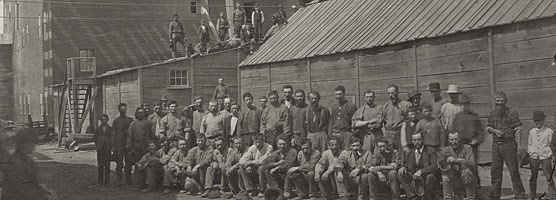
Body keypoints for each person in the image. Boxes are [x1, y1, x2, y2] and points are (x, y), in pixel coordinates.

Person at [486, 91, 526, 200]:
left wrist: (519, 145)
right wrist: (495, 131)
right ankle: (495, 195)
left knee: (513, 171)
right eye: (497, 101)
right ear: (495, 102)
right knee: (495, 171)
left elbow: (518, 129)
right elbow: (488, 127)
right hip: (496, 145)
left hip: (509, 144)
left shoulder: (512, 113)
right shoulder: (492, 113)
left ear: (506, 101)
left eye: (502, 101)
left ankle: (519, 194)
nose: (499, 103)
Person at [1, 128, 57, 200]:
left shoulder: (27, 159)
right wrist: (43, 196)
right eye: (33, 143)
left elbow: (32, 183)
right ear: (25, 144)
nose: (34, 146)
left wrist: (45, 192)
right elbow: (24, 187)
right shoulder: (15, 162)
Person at [451, 93, 483, 186]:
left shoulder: (474, 117)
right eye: (462, 104)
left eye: (466, 104)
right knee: (460, 165)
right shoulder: (457, 117)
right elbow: (453, 131)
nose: (464, 106)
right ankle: (462, 186)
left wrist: (476, 140)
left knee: (472, 165)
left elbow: (480, 133)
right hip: (460, 145)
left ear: (469, 104)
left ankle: (475, 185)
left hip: (472, 145)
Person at [398, 132, 438, 200]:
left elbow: (434, 166)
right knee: (401, 174)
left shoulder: (430, 150)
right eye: (415, 140)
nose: (417, 142)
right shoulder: (410, 152)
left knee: (430, 177)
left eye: (419, 139)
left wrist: (421, 171)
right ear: (412, 141)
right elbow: (406, 165)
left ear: (423, 140)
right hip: (413, 176)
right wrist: (403, 167)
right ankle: (413, 197)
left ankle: (427, 198)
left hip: (425, 177)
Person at [438, 132, 477, 200]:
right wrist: (449, 164)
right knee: (445, 175)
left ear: (460, 139)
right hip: (452, 174)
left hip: (466, 176)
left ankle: (470, 197)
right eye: (451, 140)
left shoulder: (467, 148)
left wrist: (458, 161)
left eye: (456, 139)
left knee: (466, 172)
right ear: (448, 140)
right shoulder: (445, 150)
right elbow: (440, 165)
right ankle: (448, 198)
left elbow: (472, 164)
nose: (454, 142)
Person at [527, 110, 556, 200]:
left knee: (548, 176)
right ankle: (531, 195)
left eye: (540, 120)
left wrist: (551, 154)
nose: (538, 123)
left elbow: (552, 144)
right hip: (534, 157)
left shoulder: (549, 131)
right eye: (536, 121)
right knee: (533, 177)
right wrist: (531, 152)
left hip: (545, 156)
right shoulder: (532, 131)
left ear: (543, 120)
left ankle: (552, 195)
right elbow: (529, 143)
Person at [128, 107, 154, 188]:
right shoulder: (133, 124)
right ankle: (138, 183)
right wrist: (130, 147)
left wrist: (149, 146)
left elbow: (150, 136)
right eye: (139, 113)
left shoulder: (148, 123)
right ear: (136, 114)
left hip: (145, 146)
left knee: (146, 164)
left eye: (142, 113)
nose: (141, 114)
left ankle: (146, 183)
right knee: (138, 164)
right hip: (136, 146)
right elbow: (129, 137)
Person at [383, 84, 411, 152]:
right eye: (388, 93)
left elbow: (409, 120)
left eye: (392, 93)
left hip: (400, 133)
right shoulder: (386, 105)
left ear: (397, 93)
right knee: (389, 152)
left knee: (401, 153)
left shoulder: (405, 105)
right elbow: (383, 120)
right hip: (388, 133)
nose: (390, 95)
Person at [329, 85, 358, 151]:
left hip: (346, 133)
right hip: (335, 133)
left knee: (346, 152)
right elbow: (332, 121)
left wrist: (352, 134)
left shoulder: (351, 106)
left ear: (344, 94)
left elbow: (355, 121)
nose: (338, 96)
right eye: (336, 94)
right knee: (335, 151)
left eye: (340, 94)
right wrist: (330, 133)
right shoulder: (334, 106)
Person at [112, 103, 134, 186]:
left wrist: (131, 144)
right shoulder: (116, 121)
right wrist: (113, 146)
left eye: (124, 109)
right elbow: (113, 134)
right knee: (119, 162)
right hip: (119, 144)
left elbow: (132, 132)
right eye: (121, 109)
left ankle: (128, 179)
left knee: (128, 162)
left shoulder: (130, 120)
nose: (123, 111)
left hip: (128, 144)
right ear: (119, 110)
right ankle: (119, 179)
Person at [94, 114, 113, 186]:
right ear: (100, 120)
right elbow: (95, 138)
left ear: (107, 120)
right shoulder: (98, 129)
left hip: (107, 149)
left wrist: (110, 146)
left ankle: (107, 181)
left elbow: (112, 138)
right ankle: (100, 181)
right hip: (100, 149)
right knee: (100, 165)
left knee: (107, 165)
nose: (103, 121)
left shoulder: (110, 129)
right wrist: (98, 145)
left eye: (105, 119)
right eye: (102, 120)